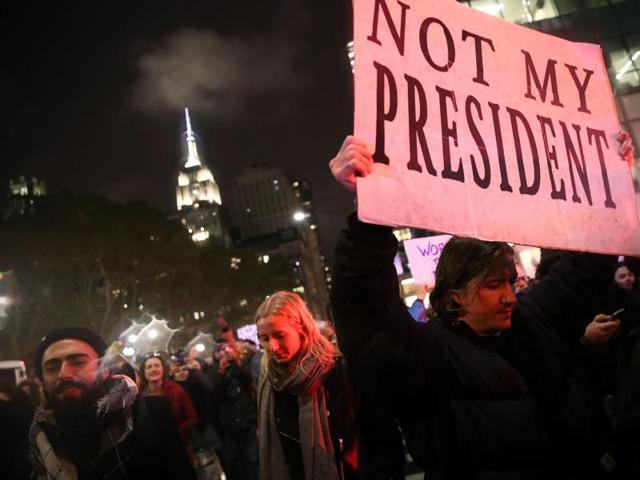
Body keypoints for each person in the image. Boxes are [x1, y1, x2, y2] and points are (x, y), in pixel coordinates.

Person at [328, 134, 634, 480]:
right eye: (493, 285)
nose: (509, 296)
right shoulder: (429, 356)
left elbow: (588, 266)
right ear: (455, 295)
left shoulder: (532, 320)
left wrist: (608, 184)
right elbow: (367, 314)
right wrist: (370, 215)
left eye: (509, 280)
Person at [27, 326, 195, 480]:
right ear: (41, 379)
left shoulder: (150, 414)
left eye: (78, 362)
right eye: (52, 367)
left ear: (105, 369)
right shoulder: (33, 437)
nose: (63, 374)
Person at [255, 291, 359, 480]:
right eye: (265, 338)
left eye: (280, 335)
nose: (273, 346)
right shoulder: (268, 380)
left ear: (302, 328)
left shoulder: (335, 371)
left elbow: (367, 436)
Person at [139, 352, 198, 458]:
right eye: (149, 367)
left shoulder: (176, 390)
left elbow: (192, 417)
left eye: (157, 365)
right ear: (144, 372)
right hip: (156, 453)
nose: (153, 369)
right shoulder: (140, 397)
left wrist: (176, 430)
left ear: (163, 369)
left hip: (180, 448)